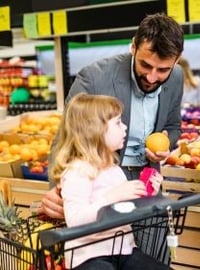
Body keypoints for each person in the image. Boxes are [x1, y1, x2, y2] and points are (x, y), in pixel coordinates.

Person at [40, 12, 184, 219]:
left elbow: (172, 126)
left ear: (177, 60)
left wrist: (164, 146)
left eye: (162, 70)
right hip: (100, 183)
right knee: (108, 246)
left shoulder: (176, 77)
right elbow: (64, 139)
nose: (152, 77)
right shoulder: (94, 78)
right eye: (145, 65)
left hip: (147, 181)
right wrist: (57, 190)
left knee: (152, 250)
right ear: (133, 47)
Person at [49, 93, 167, 270]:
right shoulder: (77, 172)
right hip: (89, 257)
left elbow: (127, 208)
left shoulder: (113, 169)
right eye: (118, 122)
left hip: (124, 250)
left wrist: (148, 193)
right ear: (94, 130)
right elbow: (75, 221)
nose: (125, 127)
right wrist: (111, 197)